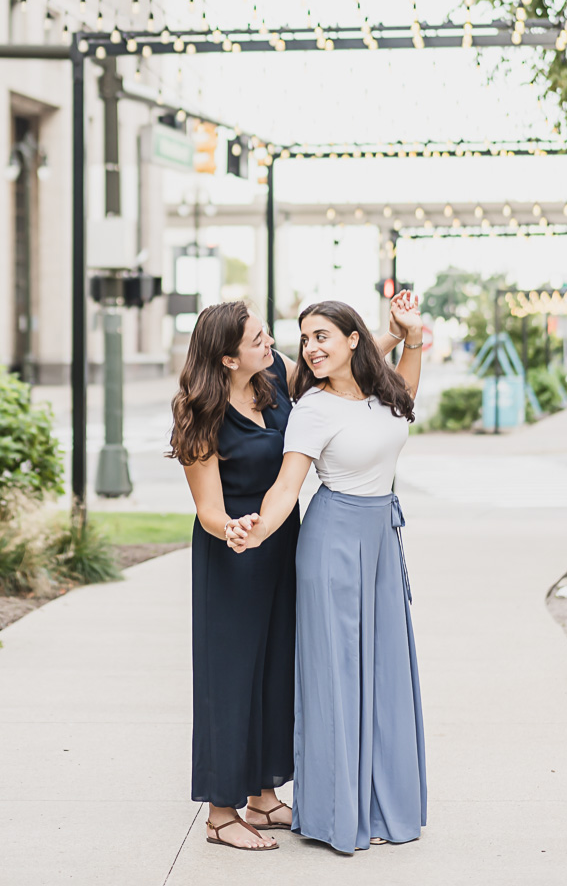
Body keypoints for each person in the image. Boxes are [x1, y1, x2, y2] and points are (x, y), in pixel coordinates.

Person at [169, 299, 408, 851]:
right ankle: (221, 812)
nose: (270, 343)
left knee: (278, 671)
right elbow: (207, 506)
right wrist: (232, 527)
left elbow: (337, 360)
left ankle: (263, 794)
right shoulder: (201, 412)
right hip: (231, 552)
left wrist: (389, 337)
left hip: (284, 544)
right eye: (257, 338)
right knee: (230, 681)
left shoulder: (271, 379)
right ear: (227, 358)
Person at [228, 295, 426, 856]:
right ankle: (337, 810)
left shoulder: (382, 390)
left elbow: (406, 394)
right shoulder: (313, 408)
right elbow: (287, 488)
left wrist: (411, 335)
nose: (311, 348)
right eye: (305, 339)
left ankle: (384, 802)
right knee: (338, 679)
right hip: (334, 543)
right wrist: (253, 531)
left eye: (323, 337)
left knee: (385, 669)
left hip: (382, 540)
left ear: (353, 339)